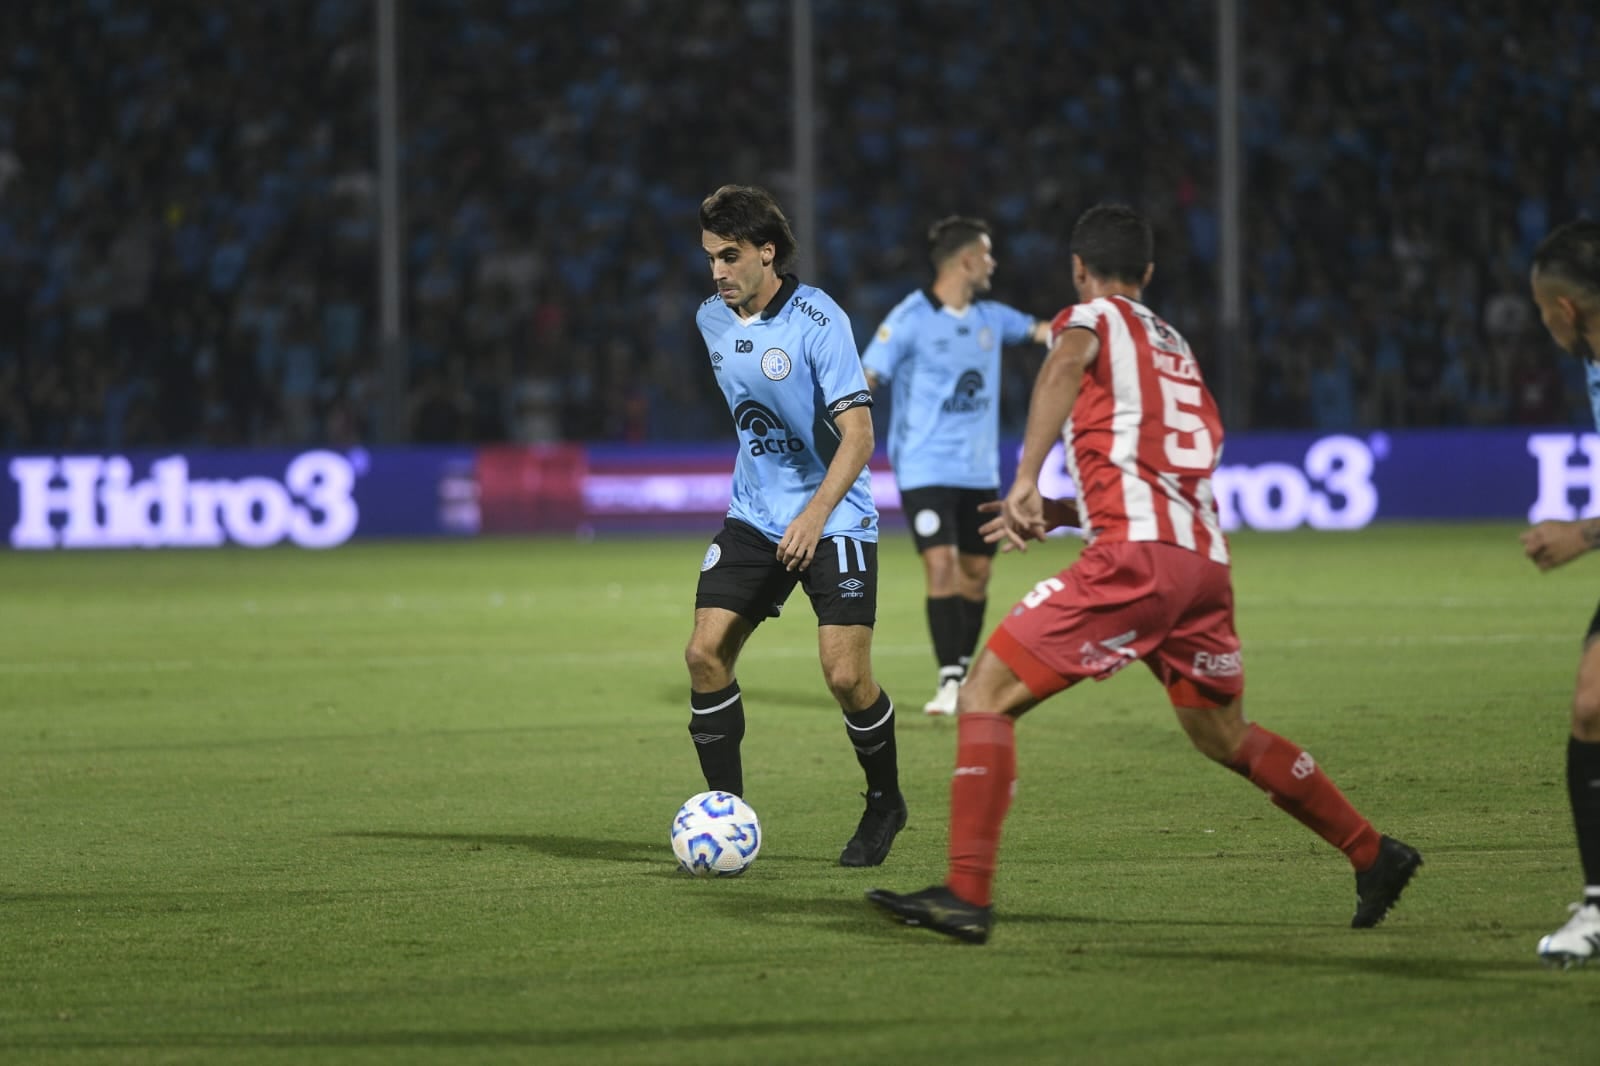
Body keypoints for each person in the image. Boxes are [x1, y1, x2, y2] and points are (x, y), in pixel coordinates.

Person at [866, 203, 1421, 942]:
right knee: (1223, 734)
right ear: (1150, 273)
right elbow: (1159, 458)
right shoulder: (1175, 346)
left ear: (1079, 271)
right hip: (1201, 563)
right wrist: (1066, 508)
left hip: (1137, 561)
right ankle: (1371, 852)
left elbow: (1063, 363)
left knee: (985, 694)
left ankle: (966, 894)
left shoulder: (1093, 319)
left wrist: (1027, 476)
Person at [685, 184, 906, 867]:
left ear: (766, 253)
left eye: (730, 256)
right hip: (755, 514)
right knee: (704, 656)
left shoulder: (819, 321)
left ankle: (885, 804)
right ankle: (729, 817)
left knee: (845, 677)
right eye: (710, 258)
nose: (717, 271)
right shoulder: (710, 319)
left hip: (833, 514)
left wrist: (815, 515)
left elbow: (861, 436)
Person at [862, 217, 1054, 715]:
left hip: (979, 472)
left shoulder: (992, 318)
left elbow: (1043, 331)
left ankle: (963, 673)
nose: (993, 263)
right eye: (987, 254)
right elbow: (867, 373)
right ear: (967, 260)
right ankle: (950, 681)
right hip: (924, 468)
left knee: (976, 576)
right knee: (941, 565)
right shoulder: (908, 317)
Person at [1518, 217, 1600, 967]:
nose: (1542, 322)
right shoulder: (1594, 357)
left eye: (1543, 310)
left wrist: (1583, 534)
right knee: (1592, 705)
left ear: (1565, 310)